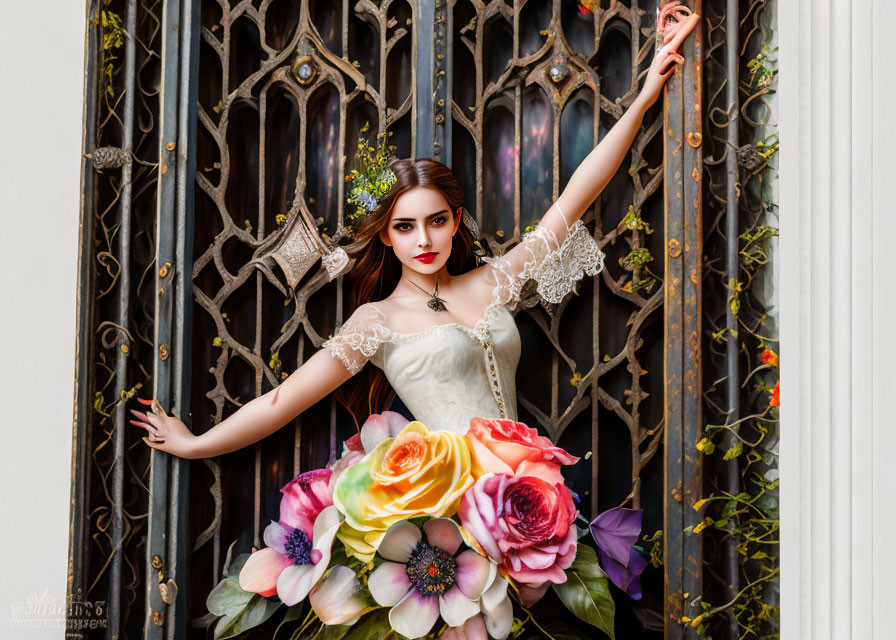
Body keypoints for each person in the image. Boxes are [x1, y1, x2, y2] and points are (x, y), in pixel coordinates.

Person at [128, 18, 696, 460]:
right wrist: (193, 443)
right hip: (446, 502)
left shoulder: (494, 281)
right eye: (405, 226)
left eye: (437, 220)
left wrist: (646, 93)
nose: (424, 239)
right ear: (386, 238)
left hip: (530, 490)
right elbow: (280, 402)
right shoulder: (376, 321)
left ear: (455, 222)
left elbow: (575, 196)